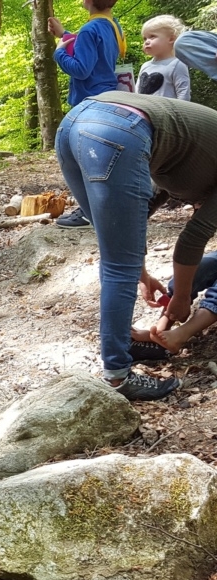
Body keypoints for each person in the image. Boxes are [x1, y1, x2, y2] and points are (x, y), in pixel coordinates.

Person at [55, 92, 217, 400]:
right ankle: (118, 377)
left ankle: (122, 344)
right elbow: (193, 238)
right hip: (122, 131)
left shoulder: (195, 159)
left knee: (117, 257)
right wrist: (182, 296)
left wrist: (141, 273)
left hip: (76, 122)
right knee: (120, 266)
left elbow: (138, 212)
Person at [49, 0, 126, 230]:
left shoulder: (89, 29)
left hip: (88, 102)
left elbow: (81, 70)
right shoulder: (112, 25)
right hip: (107, 96)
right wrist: (64, 34)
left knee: (84, 158)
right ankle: (107, 206)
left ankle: (88, 212)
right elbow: (96, 54)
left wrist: (58, 53)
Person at [136, 15, 190, 99]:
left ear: (171, 39)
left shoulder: (177, 64)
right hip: (143, 107)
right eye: (145, 38)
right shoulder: (145, 66)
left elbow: (183, 94)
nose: (146, 42)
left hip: (166, 108)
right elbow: (137, 92)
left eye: (152, 36)